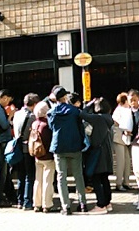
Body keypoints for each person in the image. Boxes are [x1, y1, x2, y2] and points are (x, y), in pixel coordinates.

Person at [47, 86, 88, 214]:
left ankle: (66, 206)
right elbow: (81, 127)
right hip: (75, 145)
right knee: (78, 176)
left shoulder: (51, 112)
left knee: (61, 177)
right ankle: (83, 204)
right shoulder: (75, 111)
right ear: (65, 97)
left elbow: (51, 127)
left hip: (59, 146)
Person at [80, 98, 115, 215]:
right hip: (106, 151)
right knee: (104, 178)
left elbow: (82, 114)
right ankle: (107, 202)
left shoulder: (98, 118)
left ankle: (101, 204)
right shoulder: (108, 118)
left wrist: (89, 104)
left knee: (95, 178)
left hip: (97, 152)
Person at [13, 93, 38, 210]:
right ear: (34, 104)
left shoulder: (17, 114)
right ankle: (28, 201)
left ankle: (20, 200)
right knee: (29, 175)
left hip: (17, 148)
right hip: (27, 148)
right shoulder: (32, 117)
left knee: (20, 176)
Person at [31, 101, 57, 213]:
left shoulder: (34, 124)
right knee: (48, 181)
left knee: (38, 180)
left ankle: (37, 204)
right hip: (47, 156)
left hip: (37, 155)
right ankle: (47, 204)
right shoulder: (47, 125)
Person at [112, 92, 133, 191]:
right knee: (121, 161)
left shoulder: (127, 109)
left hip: (125, 137)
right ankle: (119, 183)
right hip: (118, 137)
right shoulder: (119, 110)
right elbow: (116, 122)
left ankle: (126, 182)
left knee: (127, 160)